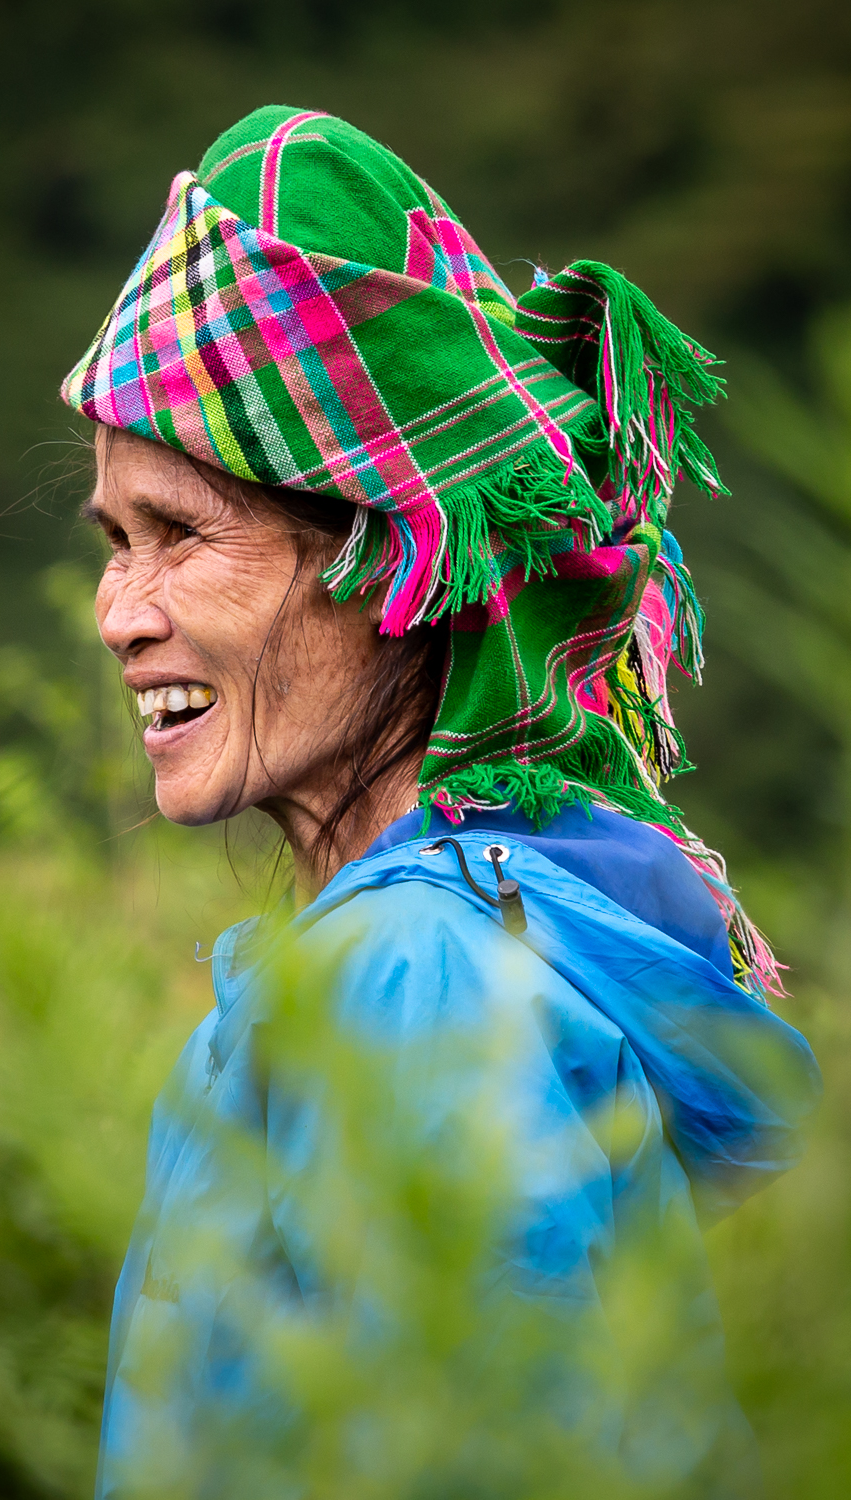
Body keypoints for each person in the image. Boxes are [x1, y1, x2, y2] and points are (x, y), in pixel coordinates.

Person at [63, 107, 820, 1498]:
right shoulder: (428, 947)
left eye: (183, 534)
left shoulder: (418, 976)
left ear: (390, 568)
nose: (121, 612)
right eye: (117, 540)